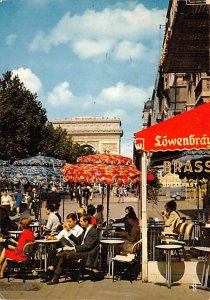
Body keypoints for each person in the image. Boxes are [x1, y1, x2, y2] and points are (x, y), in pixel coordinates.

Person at [46, 214, 100, 285]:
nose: (79, 222)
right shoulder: (86, 230)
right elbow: (78, 240)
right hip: (82, 250)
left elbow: (87, 246)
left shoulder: (93, 231)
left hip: (86, 253)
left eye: (81, 221)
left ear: (86, 221)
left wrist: (72, 248)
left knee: (62, 254)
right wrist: (68, 231)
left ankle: (52, 273)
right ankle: (54, 277)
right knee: (62, 254)